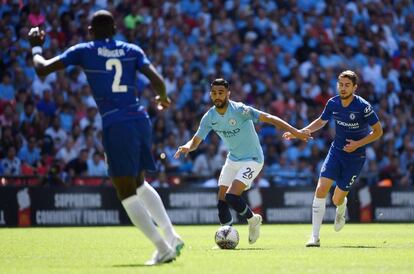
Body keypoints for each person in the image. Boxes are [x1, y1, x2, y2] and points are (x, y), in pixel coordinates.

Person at [28, 10, 183, 265]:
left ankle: (163, 247)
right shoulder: (131, 49)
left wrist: (35, 47)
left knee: (125, 191)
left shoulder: (85, 50)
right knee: (139, 182)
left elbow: (42, 69)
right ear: (114, 30)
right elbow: (157, 80)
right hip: (140, 120)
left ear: (91, 31)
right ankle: (172, 236)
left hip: (116, 122)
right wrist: (163, 97)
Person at [174, 78, 311, 244]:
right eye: (214, 93)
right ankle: (225, 238)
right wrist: (187, 147)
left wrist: (296, 132)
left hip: (253, 159)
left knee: (232, 196)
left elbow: (269, 117)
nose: (218, 96)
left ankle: (253, 220)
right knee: (221, 202)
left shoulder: (240, 110)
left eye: (221, 93)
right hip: (232, 159)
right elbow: (196, 141)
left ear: (228, 94)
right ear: (210, 95)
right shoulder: (209, 117)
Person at [283, 70, 383, 247]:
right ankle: (315, 237)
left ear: (355, 87)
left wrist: (357, 144)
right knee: (321, 189)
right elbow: (321, 121)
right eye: (341, 84)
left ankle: (341, 207)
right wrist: (299, 132)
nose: (343, 88)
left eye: (347, 85)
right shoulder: (333, 103)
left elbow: (378, 132)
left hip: (355, 157)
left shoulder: (363, 106)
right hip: (336, 152)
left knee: (336, 199)